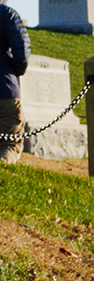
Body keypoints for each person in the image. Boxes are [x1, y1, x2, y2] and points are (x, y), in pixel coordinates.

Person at [0, 1, 28, 166]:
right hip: (4, 90)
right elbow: (21, 50)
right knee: (9, 145)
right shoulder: (6, 14)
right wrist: (15, 70)